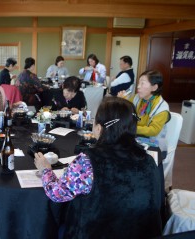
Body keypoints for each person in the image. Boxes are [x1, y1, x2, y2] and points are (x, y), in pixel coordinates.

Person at [34, 97, 162, 239]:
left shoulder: (88, 162)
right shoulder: (149, 160)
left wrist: (45, 169)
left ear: (99, 128)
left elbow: (57, 194)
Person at [118, 70, 170, 154]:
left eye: (142, 83)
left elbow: (154, 130)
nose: (138, 86)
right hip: (137, 137)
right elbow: (127, 111)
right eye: (138, 83)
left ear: (154, 87)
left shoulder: (162, 107)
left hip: (154, 144)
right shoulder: (137, 98)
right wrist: (121, 101)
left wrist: (131, 129)